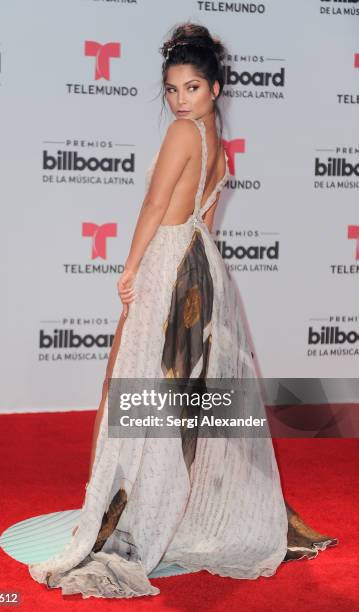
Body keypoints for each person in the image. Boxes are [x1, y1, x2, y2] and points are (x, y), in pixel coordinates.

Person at [27, 22, 337, 599]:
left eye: (191, 88)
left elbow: (153, 204)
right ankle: (159, 505)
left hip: (168, 263)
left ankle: (129, 512)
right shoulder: (218, 140)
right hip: (201, 268)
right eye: (172, 90)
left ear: (215, 87)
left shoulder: (181, 133)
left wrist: (130, 267)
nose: (179, 99)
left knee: (138, 389)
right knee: (177, 400)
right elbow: (207, 220)